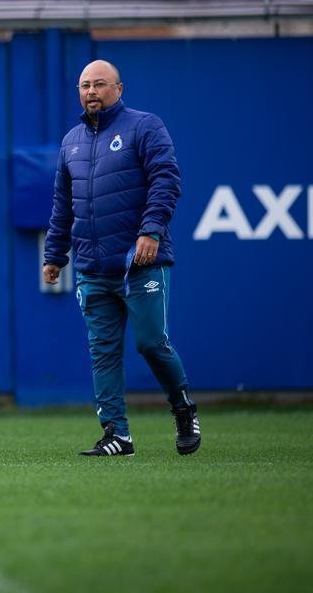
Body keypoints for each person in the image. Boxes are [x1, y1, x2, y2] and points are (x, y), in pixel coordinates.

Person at [42, 59, 201, 457]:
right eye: (84, 86)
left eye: (99, 84)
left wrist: (151, 231)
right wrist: (54, 254)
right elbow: (63, 204)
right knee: (103, 352)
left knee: (150, 343)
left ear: (119, 88)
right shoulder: (71, 141)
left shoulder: (145, 126)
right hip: (92, 268)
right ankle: (117, 434)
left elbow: (167, 178)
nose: (90, 91)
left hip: (139, 261)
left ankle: (183, 408)